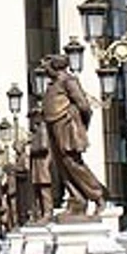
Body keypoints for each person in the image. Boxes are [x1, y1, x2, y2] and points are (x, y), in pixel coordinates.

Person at [41, 53, 107, 215]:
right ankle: (77, 200)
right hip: (54, 126)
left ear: (55, 66)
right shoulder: (53, 84)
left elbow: (84, 106)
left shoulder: (68, 81)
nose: (45, 71)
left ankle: (98, 195)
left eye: (46, 67)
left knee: (73, 163)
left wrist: (80, 126)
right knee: (62, 166)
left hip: (66, 126)